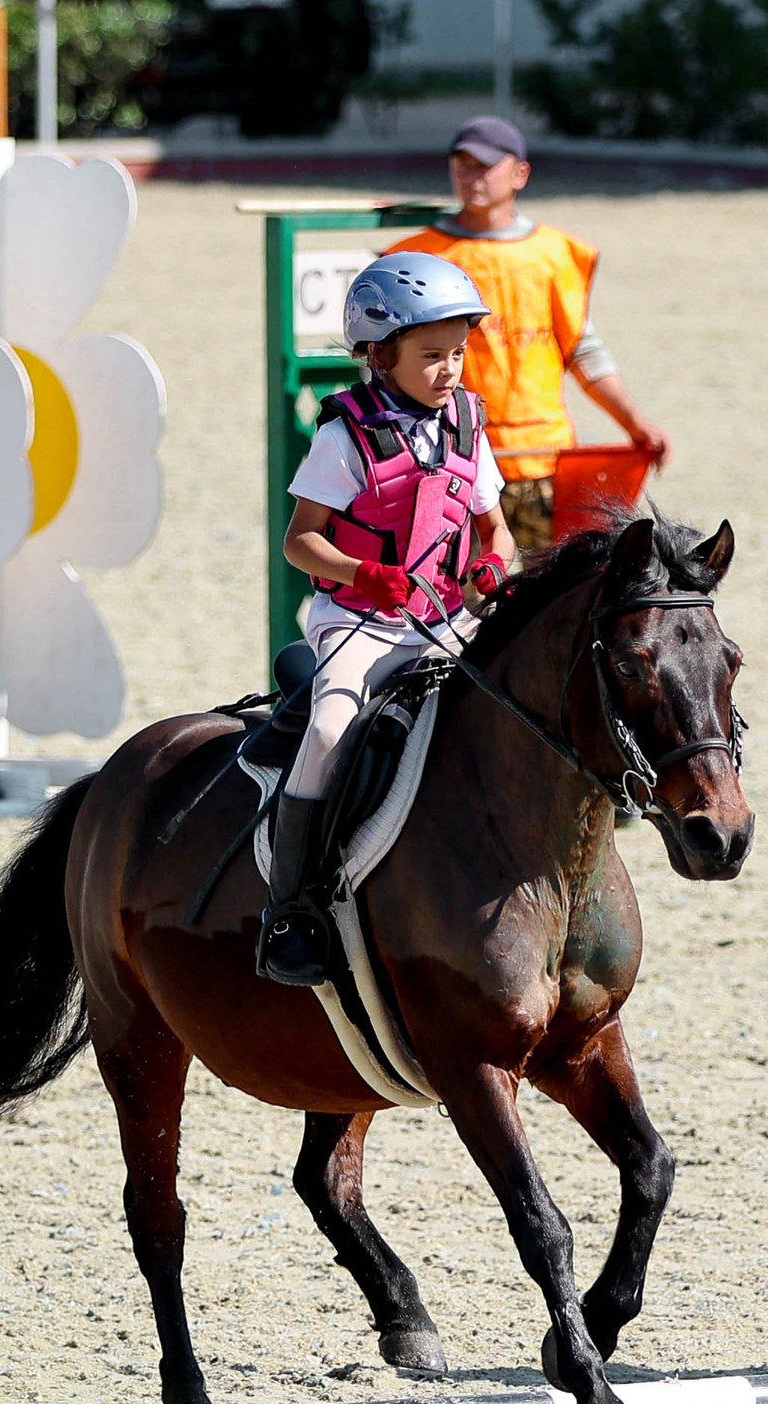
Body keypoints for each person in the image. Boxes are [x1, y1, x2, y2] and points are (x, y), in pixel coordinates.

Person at [259, 253, 517, 987]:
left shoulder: (468, 424)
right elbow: (299, 541)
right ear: (379, 355)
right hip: (360, 623)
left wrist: (493, 568)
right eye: (432, 355)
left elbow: (497, 530)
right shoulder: (345, 436)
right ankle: (293, 907)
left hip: (448, 620)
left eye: (458, 353)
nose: (450, 370)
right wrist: (363, 573)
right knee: (329, 731)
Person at [385, 115, 670, 552]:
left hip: (544, 461)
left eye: (485, 165)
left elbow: (583, 350)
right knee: (461, 590)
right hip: (453, 459)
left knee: (548, 589)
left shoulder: (554, 253)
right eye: (462, 164)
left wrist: (635, 423)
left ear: (520, 173)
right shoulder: (416, 257)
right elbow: (387, 364)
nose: (472, 175)